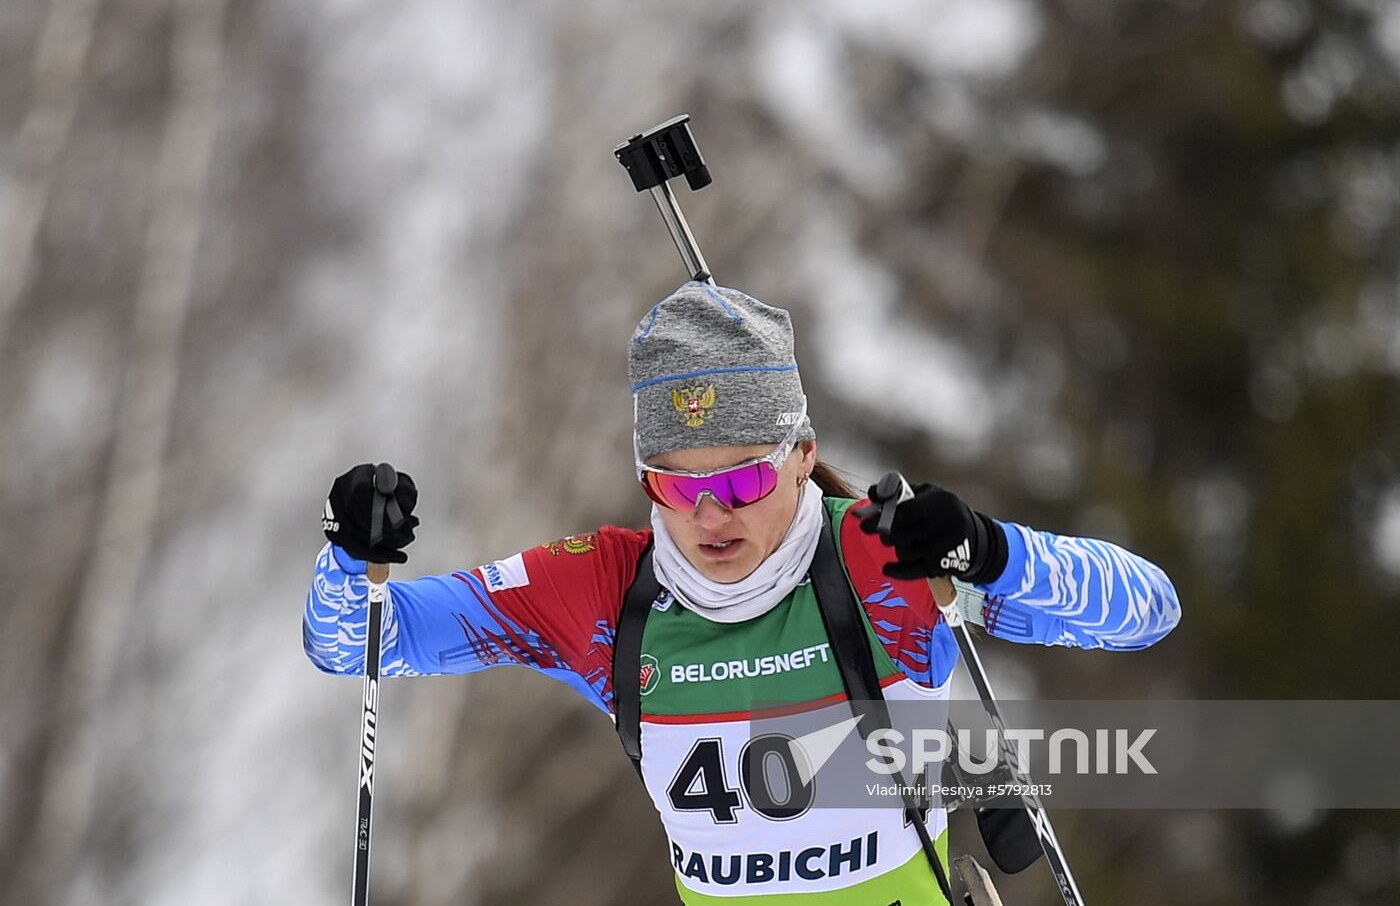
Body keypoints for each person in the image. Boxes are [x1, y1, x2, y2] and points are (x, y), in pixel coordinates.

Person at [304, 279, 1181, 904]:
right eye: (676, 487)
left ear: (802, 455)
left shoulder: (887, 560)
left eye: (743, 482)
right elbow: (355, 644)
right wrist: (350, 552)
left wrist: (990, 552)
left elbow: (1147, 612)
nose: (710, 516)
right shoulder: (603, 594)